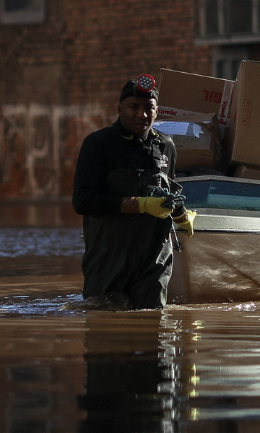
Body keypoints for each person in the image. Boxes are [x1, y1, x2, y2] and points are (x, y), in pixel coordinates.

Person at [72, 75, 196, 309]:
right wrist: (138, 204)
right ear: (119, 109)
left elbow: (169, 190)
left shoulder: (165, 146)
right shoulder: (98, 144)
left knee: (154, 332)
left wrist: (181, 213)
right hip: (108, 260)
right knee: (105, 330)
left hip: (154, 261)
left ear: (157, 111)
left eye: (149, 108)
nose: (142, 114)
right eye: (134, 107)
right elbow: (83, 201)